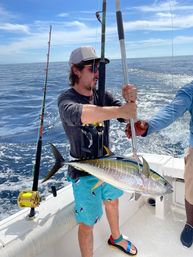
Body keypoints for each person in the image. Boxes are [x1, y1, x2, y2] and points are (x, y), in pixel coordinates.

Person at [58, 46, 138, 257]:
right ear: (76, 70)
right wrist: (120, 110)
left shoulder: (104, 96)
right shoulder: (66, 100)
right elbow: (81, 115)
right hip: (84, 173)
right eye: (92, 67)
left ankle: (116, 237)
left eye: (99, 68)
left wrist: (130, 101)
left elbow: (125, 116)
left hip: (109, 164)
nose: (97, 73)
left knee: (113, 200)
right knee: (88, 222)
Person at [125, 82, 193, 248]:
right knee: (192, 189)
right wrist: (149, 125)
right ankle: (191, 224)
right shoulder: (190, 90)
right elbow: (171, 111)